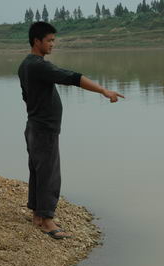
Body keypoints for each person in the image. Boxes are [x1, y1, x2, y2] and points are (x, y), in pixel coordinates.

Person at [18, 22, 124, 239]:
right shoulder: (39, 66)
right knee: (49, 173)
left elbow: (27, 96)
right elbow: (72, 77)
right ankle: (47, 221)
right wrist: (103, 90)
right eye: (49, 40)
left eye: (53, 40)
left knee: (38, 171)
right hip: (43, 129)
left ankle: (38, 216)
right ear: (37, 41)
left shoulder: (25, 65)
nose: (52, 45)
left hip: (34, 126)